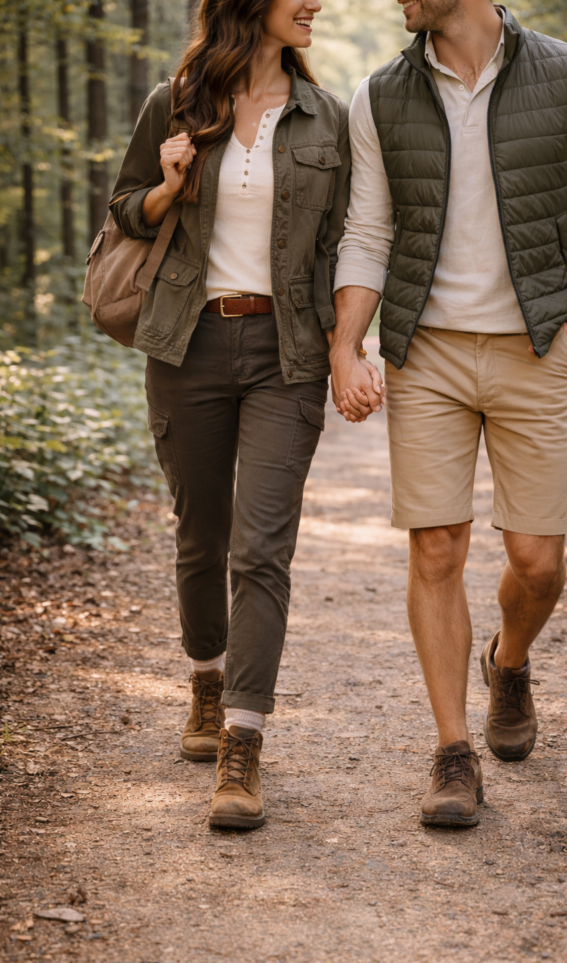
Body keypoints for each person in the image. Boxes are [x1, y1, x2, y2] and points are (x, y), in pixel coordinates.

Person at [328, 0, 567, 826]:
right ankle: (451, 752)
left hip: (537, 347)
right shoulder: (378, 95)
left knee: (537, 562)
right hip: (425, 350)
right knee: (435, 546)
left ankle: (508, 659)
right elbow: (367, 230)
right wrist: (346, 346)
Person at [109, 0, 367, 828]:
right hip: (185, 344)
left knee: (261, 549)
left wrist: (351, 346)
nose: (313, 4)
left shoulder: (328, 116)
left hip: (287, 353)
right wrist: (167, 188)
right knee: (201, 535)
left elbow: (350, 239)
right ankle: (206, 679)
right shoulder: (176, 101)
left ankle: (242, 741)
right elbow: (123, 208)